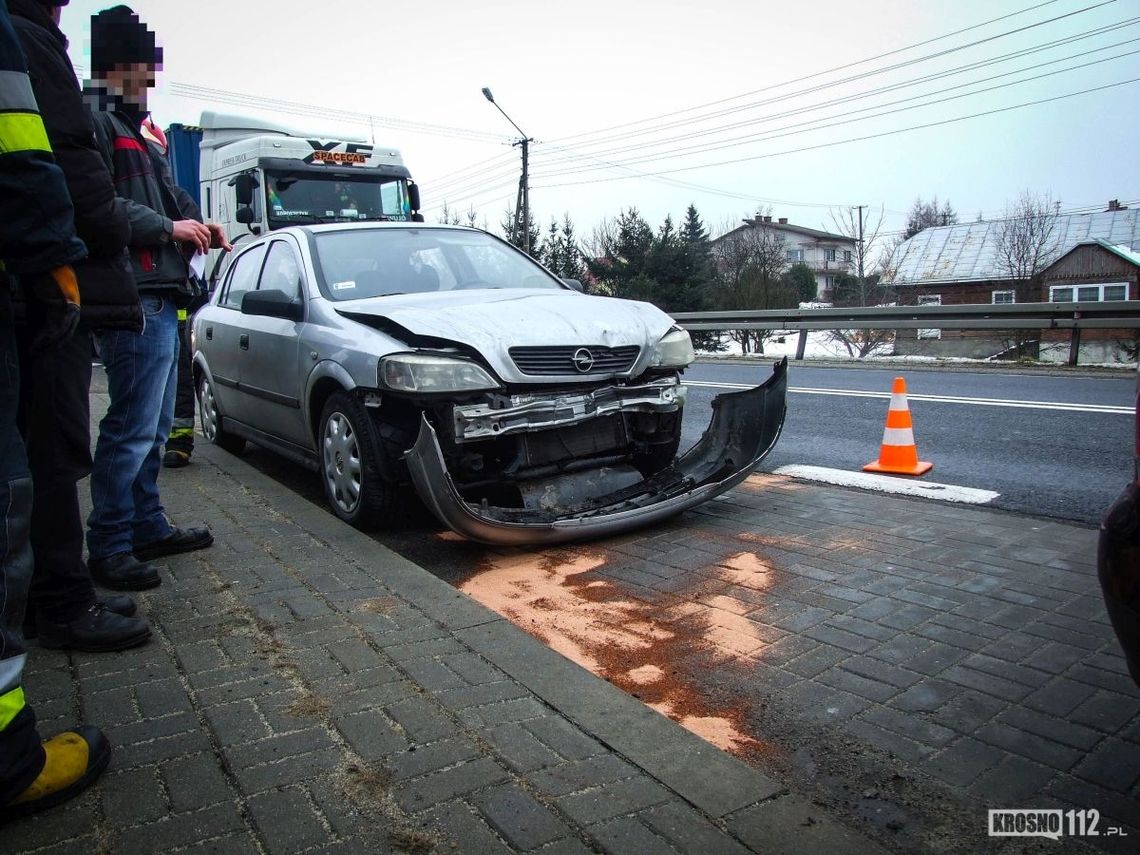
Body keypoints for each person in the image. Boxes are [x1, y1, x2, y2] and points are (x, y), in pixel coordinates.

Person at [9, 0, 151, 651]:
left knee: (56, 444)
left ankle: (58, 591)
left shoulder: (33, 38)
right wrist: (114, 227)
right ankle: (62, 600)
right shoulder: (28, 39)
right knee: (53, 446)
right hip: (49, 279)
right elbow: (63, 166)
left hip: (52, 275)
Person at [0, 0, 111, 820]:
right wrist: (54, 258)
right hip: (31, 280)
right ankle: (7, 757)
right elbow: (44, 156)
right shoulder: (27, 40)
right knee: (25, 481)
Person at [83, 5, 231, 589]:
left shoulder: (139, 131)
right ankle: (111, 542)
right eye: (140, 69)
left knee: (153, 423)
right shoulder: (91, 122)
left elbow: (171, 195)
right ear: (112, 66)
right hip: (131, 293)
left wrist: (200, 222)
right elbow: (95, 205)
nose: (149, 81)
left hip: (164, 293)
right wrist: (166, 230)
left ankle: (146, 523)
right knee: (131, 426)